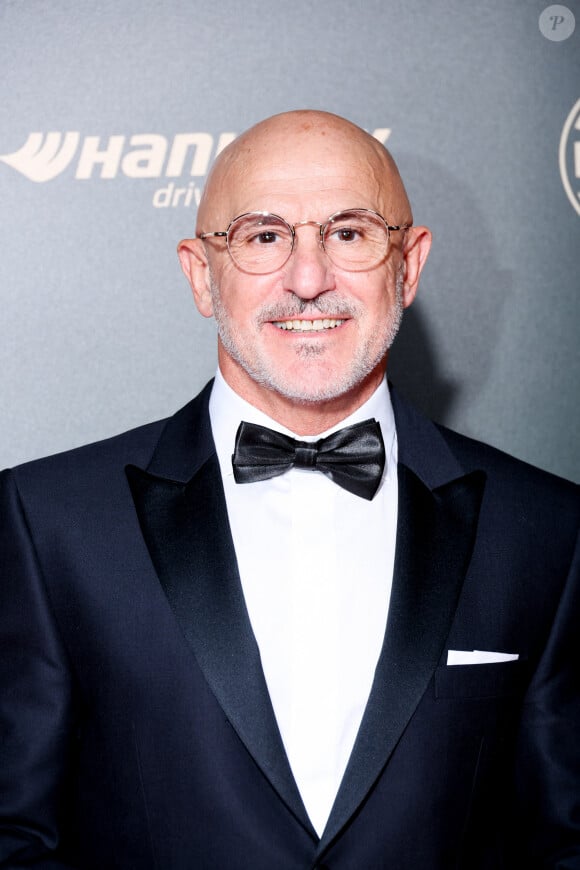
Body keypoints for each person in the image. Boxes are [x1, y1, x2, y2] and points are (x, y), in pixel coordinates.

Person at [0, 110, 578, 870]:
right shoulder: (49, 524)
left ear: (408, 265)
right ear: (202, 274)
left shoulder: (546, 530)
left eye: (349, 232)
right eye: (264, 236)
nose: (309, 280)